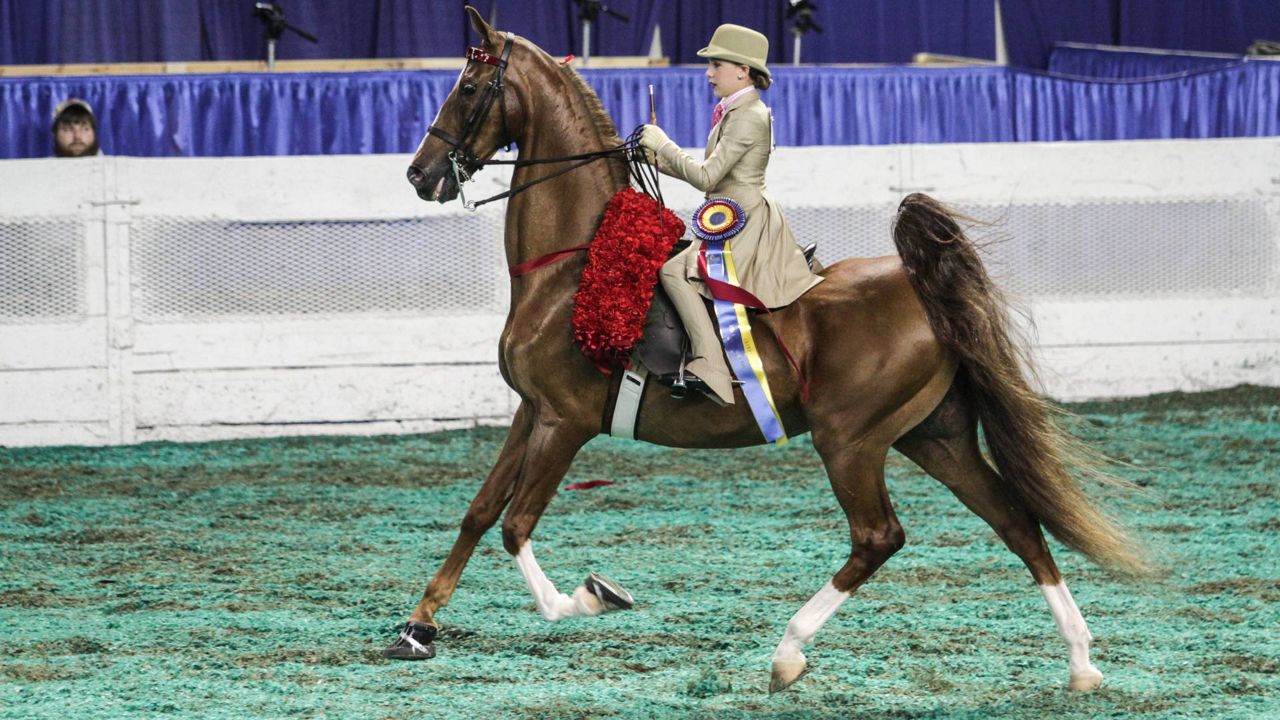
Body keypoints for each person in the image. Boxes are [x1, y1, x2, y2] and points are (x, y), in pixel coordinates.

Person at [639, 24, 822, 406]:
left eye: (715, 64)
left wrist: (664, 143)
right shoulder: (736, 110)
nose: (708, 73)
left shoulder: (748, 115)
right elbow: (710, 175)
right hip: (729, 212)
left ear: (742, 69)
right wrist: (656, 158)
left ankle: (712, 366)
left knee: (673, 271)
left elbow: (707, 176)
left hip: (744, 221)